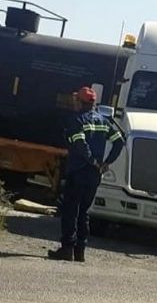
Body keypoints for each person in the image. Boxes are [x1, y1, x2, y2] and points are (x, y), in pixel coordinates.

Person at [48, 86, 124, 262]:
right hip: (94, 175)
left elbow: (80, 145)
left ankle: (67, 249)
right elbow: (119, 141)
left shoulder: (76, 120)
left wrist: (93, 161)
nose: (74, 102)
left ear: (80, 102)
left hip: (78, 171)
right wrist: (106, 163)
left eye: (76, 100)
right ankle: (80, 251)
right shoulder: (103, 121)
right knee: (84, 211)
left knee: (70, 210)